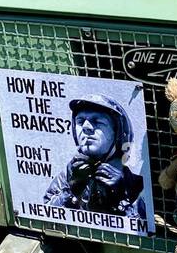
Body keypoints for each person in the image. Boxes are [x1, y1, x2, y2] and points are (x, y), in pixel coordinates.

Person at [44, 94, 146, 222]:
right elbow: (45, 219)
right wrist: (70, 192)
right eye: (80, 121)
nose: (86, 127)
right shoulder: (65, 178)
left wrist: (121, 197)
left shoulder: (136, 184)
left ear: (118, 132)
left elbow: (144, 229)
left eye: (97, 122)